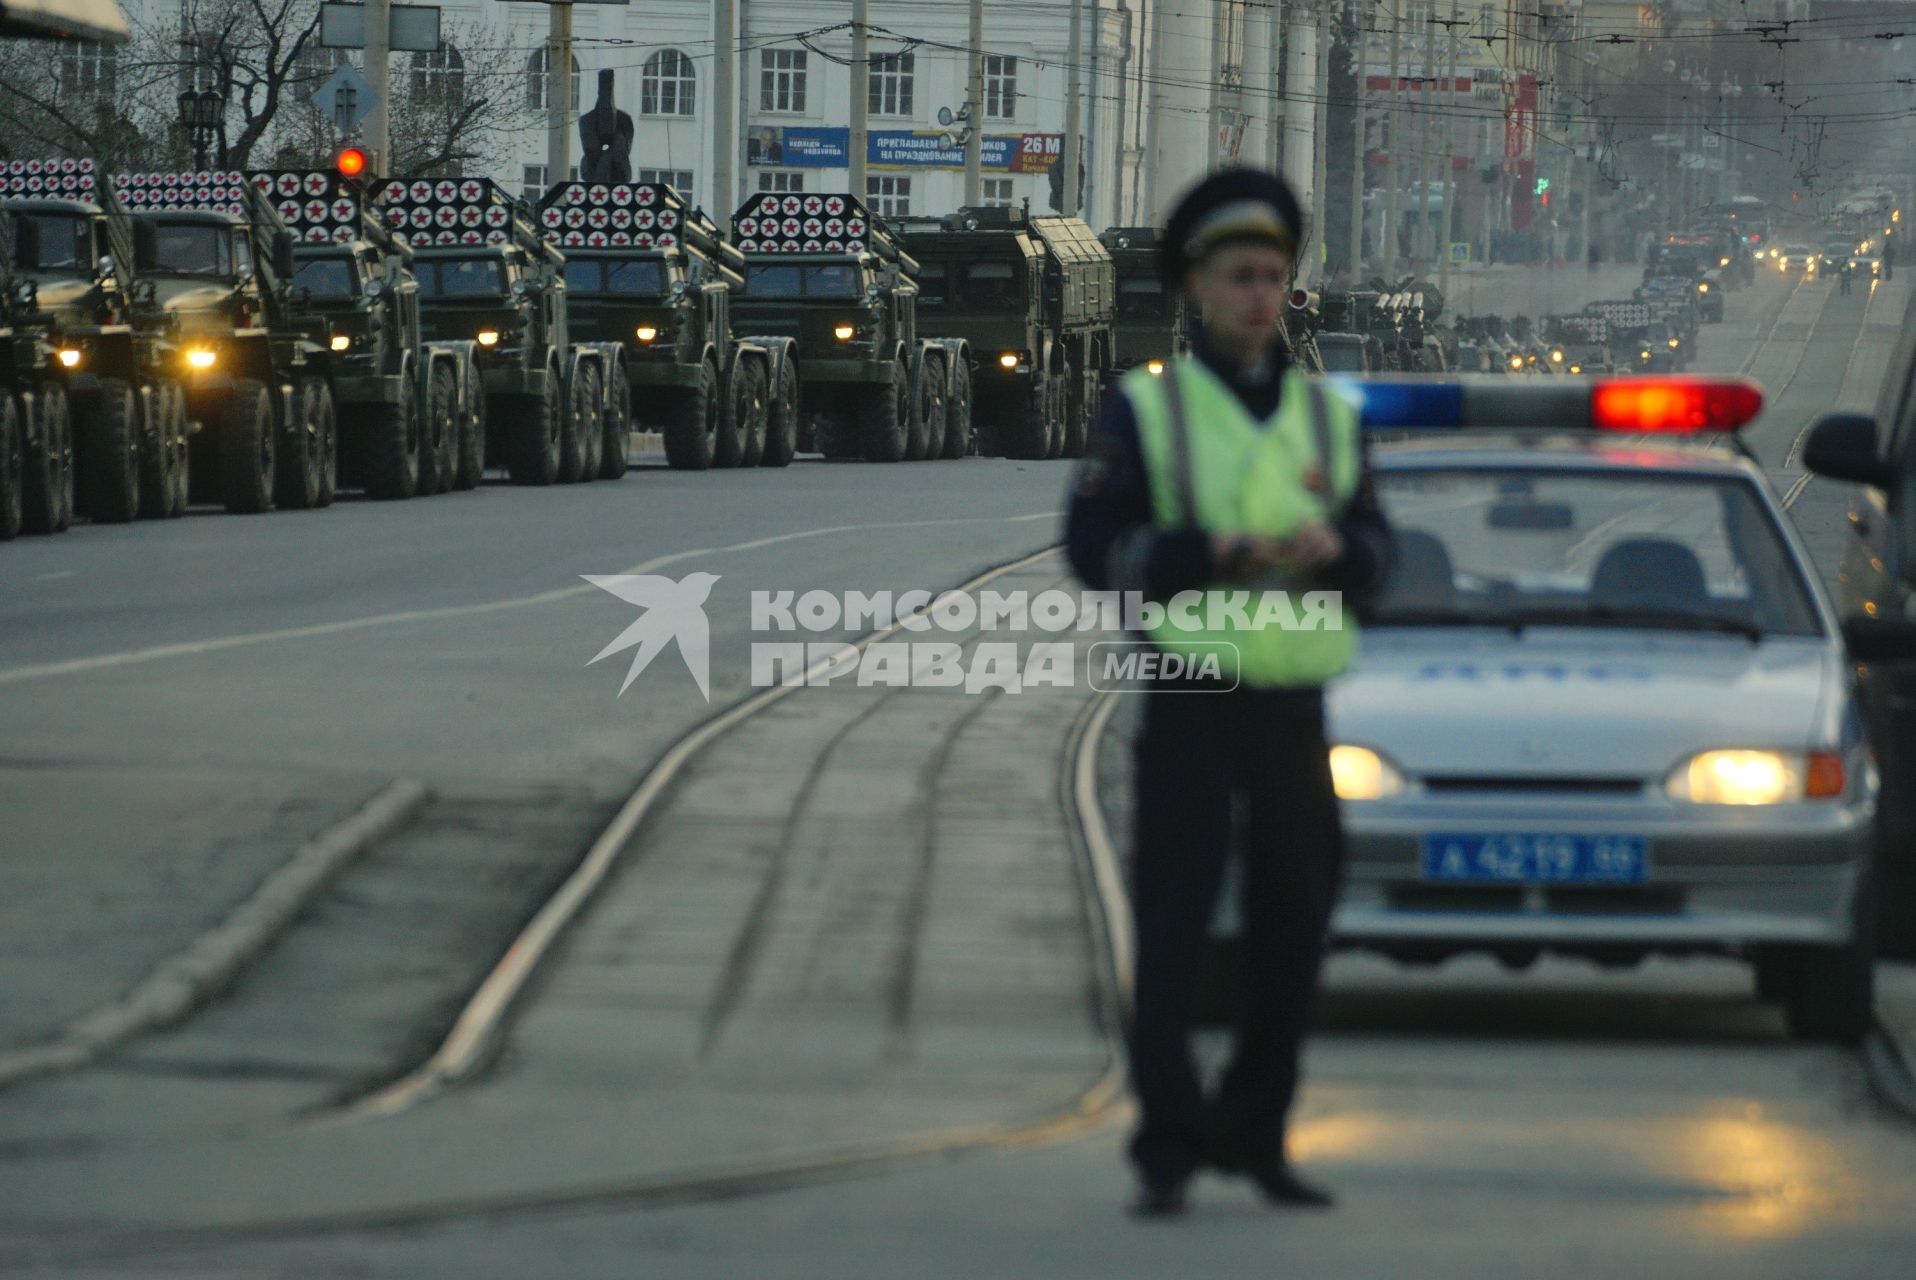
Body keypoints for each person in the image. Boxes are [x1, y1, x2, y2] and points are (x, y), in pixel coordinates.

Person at [1064, 169, 1396, 1219]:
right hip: (1189, 697)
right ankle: (1167, 1139)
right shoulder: (1147, 409)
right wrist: (1199, 547)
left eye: (1272, 277)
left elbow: (1382, 548)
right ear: (1197, 287)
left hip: (1292, 709)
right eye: (1237, 276)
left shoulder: (1325, 420)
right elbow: (1089, 545)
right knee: (1168, 928)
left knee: (1293, 925)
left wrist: (1340, 543)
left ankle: (1256, 1132)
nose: (1258, 295)